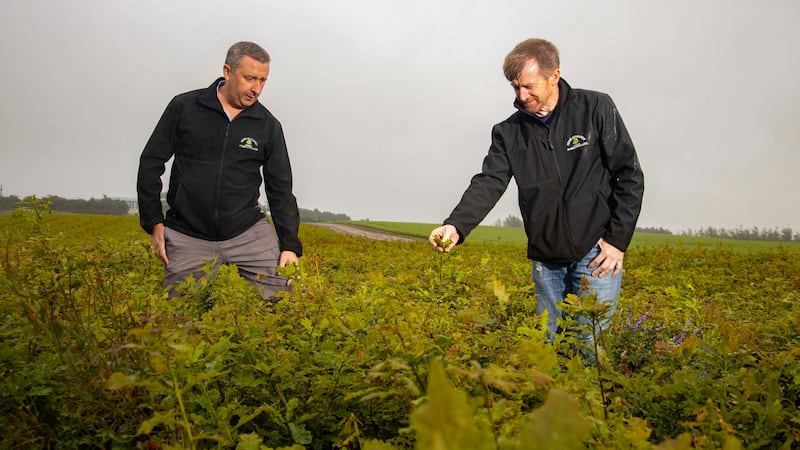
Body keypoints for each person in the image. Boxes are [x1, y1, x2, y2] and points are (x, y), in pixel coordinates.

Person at [429, 38, 644, 339]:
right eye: (515, 87)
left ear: (554, 76)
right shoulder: (509, 132)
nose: (521, 95)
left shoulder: (595, 108)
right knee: (548, 346)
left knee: (589, 347)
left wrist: (617, 240)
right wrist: (455, 225)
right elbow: (490, 181)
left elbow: (629, 175)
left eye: (529, 86)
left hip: (596, 254)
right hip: (546, 259)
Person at [137, 41, 302, 301]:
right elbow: (151, 162)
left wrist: (290, 246)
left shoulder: (267, 125)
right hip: (188, 234)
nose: (256, 89)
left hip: (248, 233)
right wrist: (153, 221)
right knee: (175, 317)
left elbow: (280, 190)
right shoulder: (185, 107)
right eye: (249, 78)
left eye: (262, 80)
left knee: (285, 302)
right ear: (227, 71)